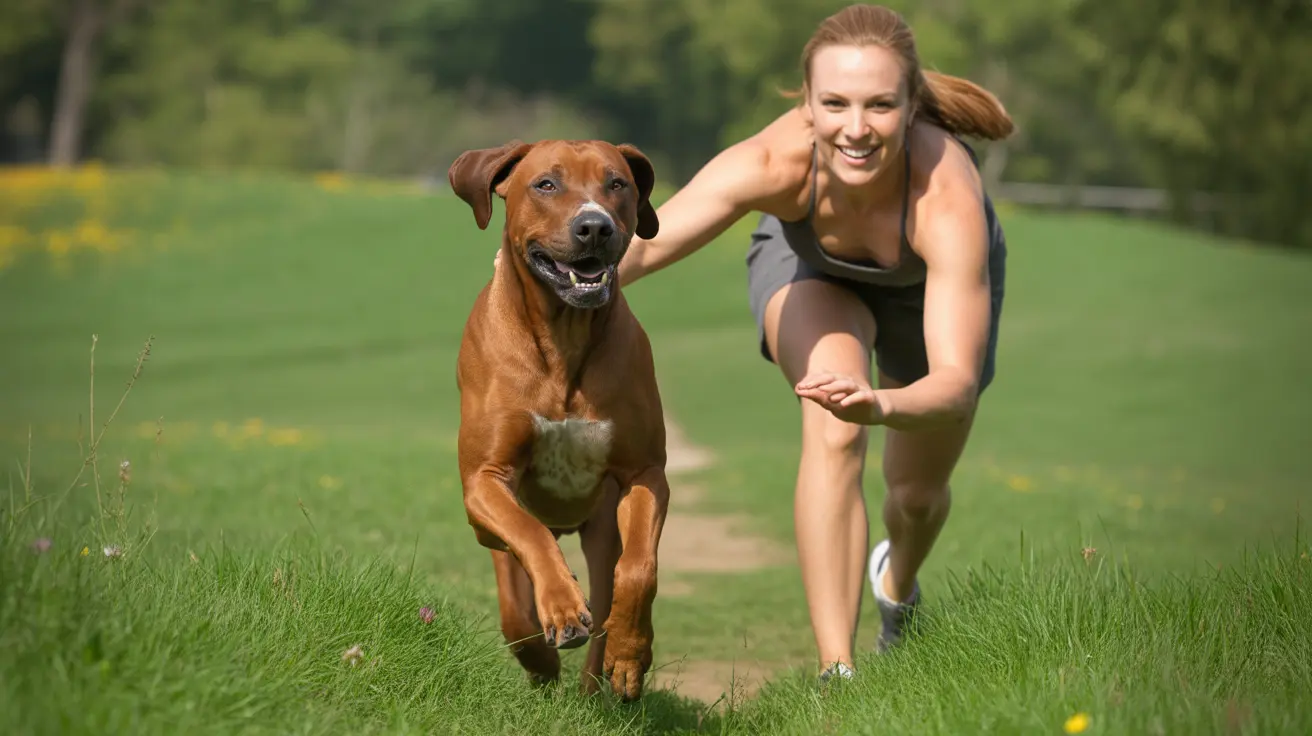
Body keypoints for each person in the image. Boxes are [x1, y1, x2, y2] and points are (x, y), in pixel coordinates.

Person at [498, 3, 1013, 682]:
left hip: (926, 299)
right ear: (808, 102)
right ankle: (840, 674)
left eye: (880, 106)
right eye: (834, 104)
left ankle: (897, 581)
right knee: (831, 429)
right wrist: (522, 287)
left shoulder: (946, 195)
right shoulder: (776, 159)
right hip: (810, 274)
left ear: (911, 104)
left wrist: (884, 405)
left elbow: (954, 384)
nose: (854, 129)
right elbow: (645, 249)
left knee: (915, 497)